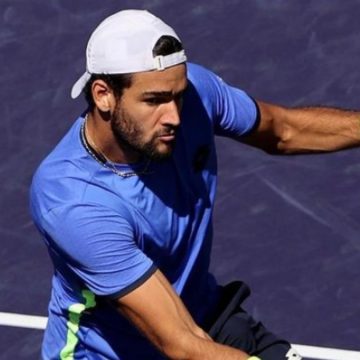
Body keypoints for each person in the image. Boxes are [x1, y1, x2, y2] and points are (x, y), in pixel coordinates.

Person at [30, 9, 360, 360]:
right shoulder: (72, 201)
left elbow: (283, 131)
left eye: (178, 95)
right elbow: (184, 345)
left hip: (203, 315)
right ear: (103, 95)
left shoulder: (192, 97)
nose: (173, 116)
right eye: (154, 100)